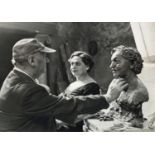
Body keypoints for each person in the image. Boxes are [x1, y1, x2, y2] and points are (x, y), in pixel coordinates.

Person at [0, 38, 128, 132]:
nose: (48, 60)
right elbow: (67, 104)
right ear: (32, 60)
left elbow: (33, 116)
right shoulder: (28, 89)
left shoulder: (13, 78)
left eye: (77, 64)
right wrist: (108, 97)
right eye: (44, 56)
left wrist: (55, 122)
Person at [84, 45, 149, 131]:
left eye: (116, 61)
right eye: (111, 62)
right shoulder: (116, 83)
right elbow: (112, 109)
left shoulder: (138, 92)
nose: (111, 66)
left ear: (132, 64)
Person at [58, 51, 100, 131]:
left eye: (77, 64)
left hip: (74, 127)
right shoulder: (73, 84)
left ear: (87, 67)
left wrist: (60, 122)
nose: (73, 67)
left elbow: (87, 113)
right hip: (63, 122)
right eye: (72, 64)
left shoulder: (92, 86)